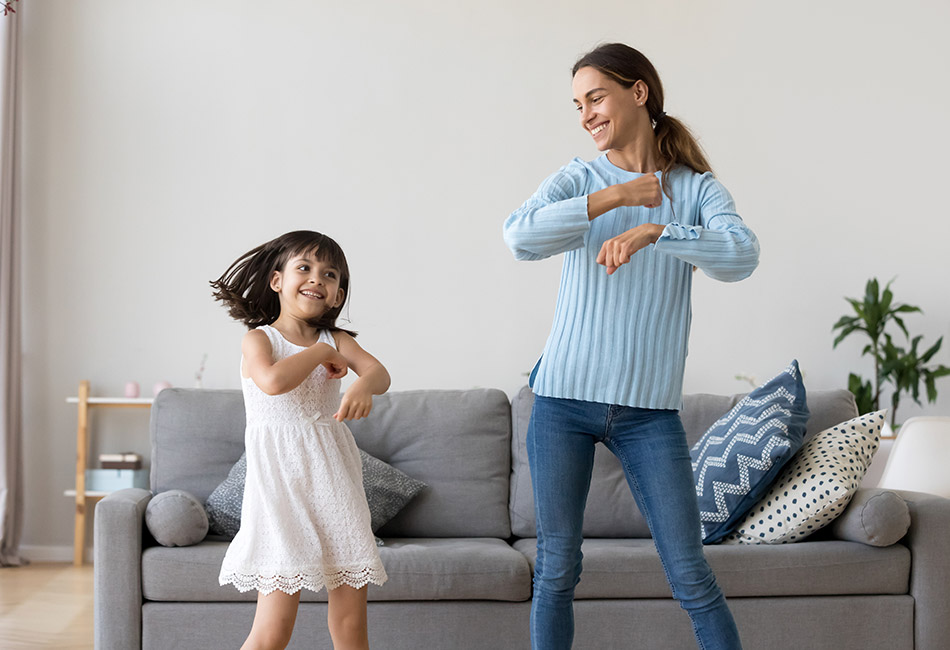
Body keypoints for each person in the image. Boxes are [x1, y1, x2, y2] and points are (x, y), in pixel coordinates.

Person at [503, 43, 759, 650]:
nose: (587, 114)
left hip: (649, 414)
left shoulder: (696, 191)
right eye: (578, 105)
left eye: (596, 98)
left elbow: (742, 255)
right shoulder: (578, 178)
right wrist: (617, 197)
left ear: (637, 92)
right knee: (558, 570)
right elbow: (518, 237)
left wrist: (659, 231)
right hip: (562, 402)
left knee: (690, 573)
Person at [210, 230, 390, 650]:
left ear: (337, 295)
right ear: (277, 281)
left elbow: (379, 374)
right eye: (304, 268)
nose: (317, 278)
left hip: (334, 483)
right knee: (273, 631)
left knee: (350, 624)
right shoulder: (259, 339)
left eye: (330, 274)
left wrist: (363, 387)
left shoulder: (339, 340)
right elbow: (273, 382)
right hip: (280, 492)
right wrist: (321, 354)